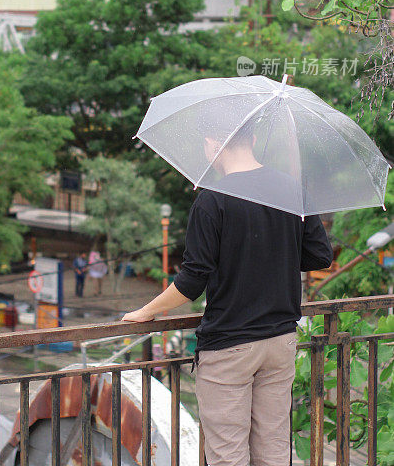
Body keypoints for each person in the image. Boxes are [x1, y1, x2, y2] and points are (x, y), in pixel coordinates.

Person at [122, 125, 333, 466]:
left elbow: (193, 281)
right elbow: (320, 256)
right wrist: (274, 247)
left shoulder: (212, 201)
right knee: (274, 450)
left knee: (228, 455)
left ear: (212, 144)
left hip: (230, 345)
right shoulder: (292, 190)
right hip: (280, 340)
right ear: (251, 139)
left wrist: (146, 312)